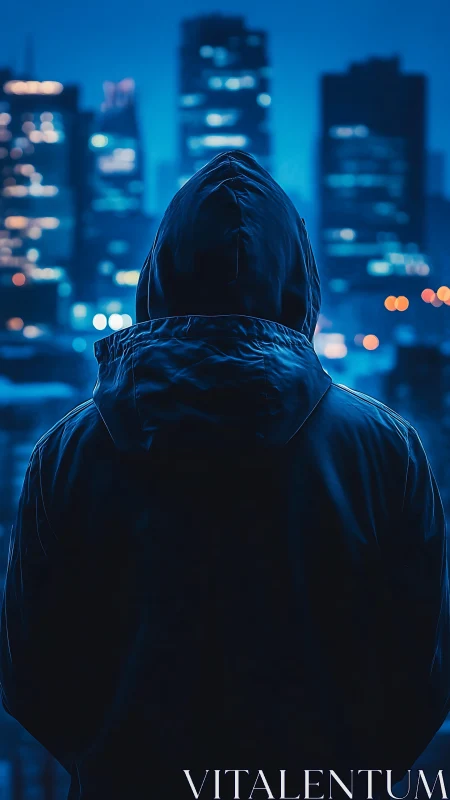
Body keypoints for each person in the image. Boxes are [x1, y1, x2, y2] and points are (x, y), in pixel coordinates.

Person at [1, 151, 449, 800]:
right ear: (299, 283)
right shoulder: (386, 452)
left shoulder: (66, 456)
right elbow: (423, 678)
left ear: (157, 275)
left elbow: (28, 677)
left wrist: (120, 761)